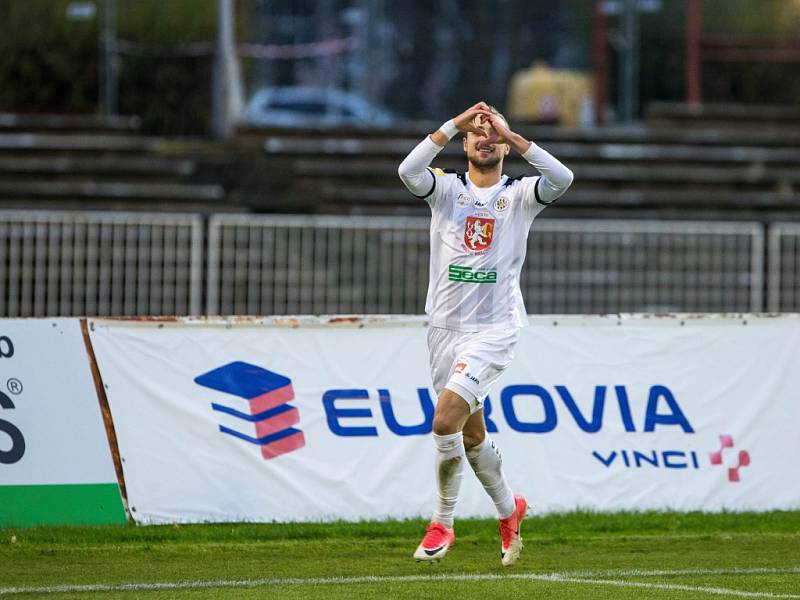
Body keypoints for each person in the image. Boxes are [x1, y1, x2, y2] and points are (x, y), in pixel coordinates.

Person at [397, 101, 573, 566]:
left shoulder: (520, 195)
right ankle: (508, 509)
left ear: (504, 147)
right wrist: (454, 122)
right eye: (477, 134)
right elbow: (407, 170)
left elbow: (563, 179)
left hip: (494, 329)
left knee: (443, 422)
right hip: (443, 328)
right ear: (465, 143)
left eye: (493, 135)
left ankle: (442, 522)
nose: (485, 138)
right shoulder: (446, 190)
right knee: (471, 436)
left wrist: (514, 135)